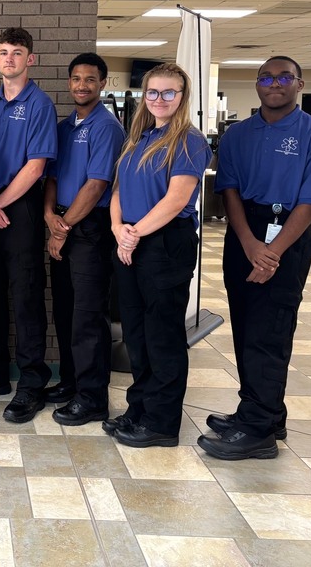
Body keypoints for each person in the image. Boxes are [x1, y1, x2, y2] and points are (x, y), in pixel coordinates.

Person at [198, 57, 311, 461]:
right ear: (257, 84)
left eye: (284, 78)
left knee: (270, 328)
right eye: (266, 78)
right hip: (245, 234)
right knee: (244, 321)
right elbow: (230, 191)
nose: (274, 84)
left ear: (299, 84)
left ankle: (258, 431)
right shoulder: (239, 134)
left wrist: (272, 252)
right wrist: (249, 244)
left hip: (288, 235)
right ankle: (263, 411)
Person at [105, 63, 212, 447]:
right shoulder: (139, 138)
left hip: (165, 243)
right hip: (130, 240)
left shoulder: (189, 141)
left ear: (182, 97)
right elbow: (117, 191)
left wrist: (134, 235)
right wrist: (119, 230)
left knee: (162, 335)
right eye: (153, 92)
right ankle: (140, 407)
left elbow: (176, 200)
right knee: (136, 333)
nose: (160, 99)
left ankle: (162, 423)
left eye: (169, 93)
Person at [0, 27, 58, 423]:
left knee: (25, 296)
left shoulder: (40, 105)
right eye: (3, 52)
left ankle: (31, 384)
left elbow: (36, 165)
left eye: (17, 52)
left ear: (30, 59)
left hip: (20, 209)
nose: (9, 58)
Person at [44, 53, 125, 426]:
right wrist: (50, 217)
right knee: (65, 309)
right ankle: (72, 382)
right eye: (76, 79)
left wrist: (62, 228)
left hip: (89, 229)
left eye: (90, 80)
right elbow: (53, 178)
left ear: (102, 84)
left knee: (88, 316)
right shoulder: (63, 128)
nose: (81, 85)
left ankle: (92, 398)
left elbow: (96, 185)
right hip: (62, 222)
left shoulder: (107, 127)